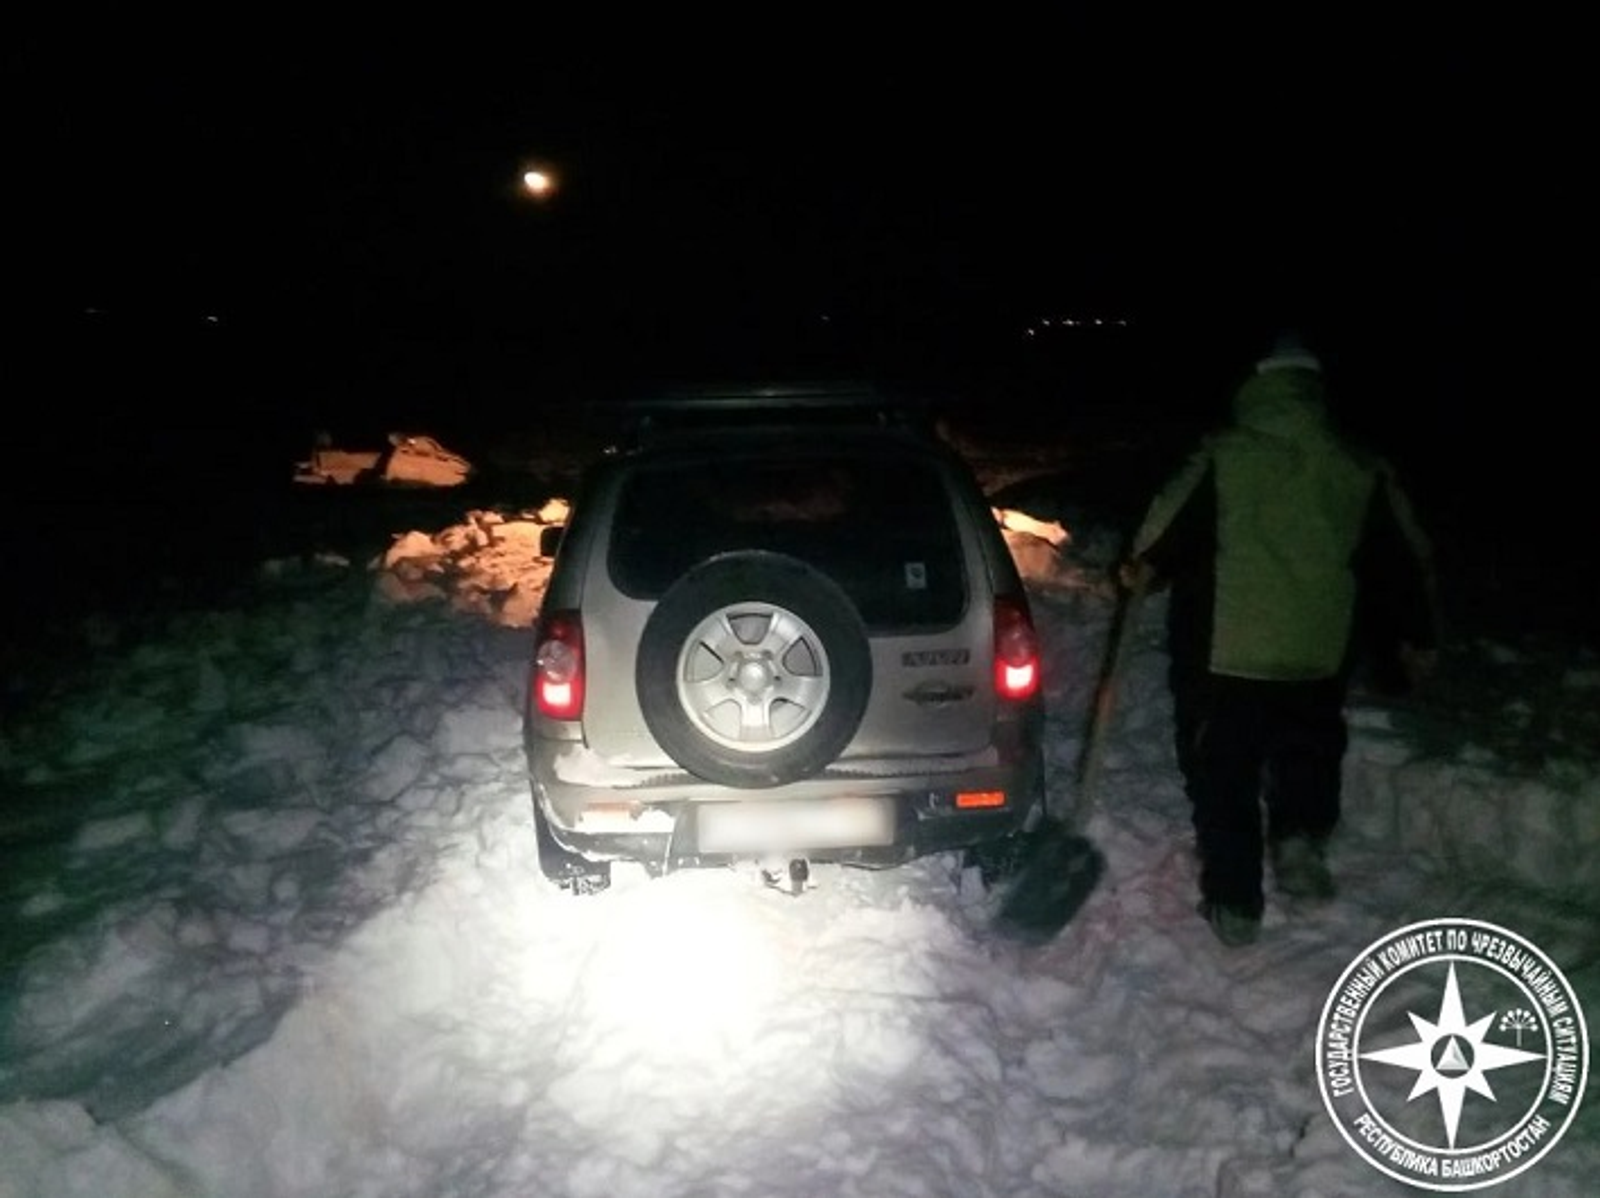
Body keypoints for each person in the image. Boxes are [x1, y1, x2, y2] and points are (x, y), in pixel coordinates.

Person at [1120, 330, 1439, 947]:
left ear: (1255, 384)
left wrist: (1141, 568)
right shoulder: (1358, 463)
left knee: (1225, 774)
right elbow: (1402, 556)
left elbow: (1164, 529)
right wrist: (1416, 634)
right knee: (1308, 752)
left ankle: (1237, 902)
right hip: (1317, 653)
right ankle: (1300, 838)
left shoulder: (1223, 455)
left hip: (1226, 654)